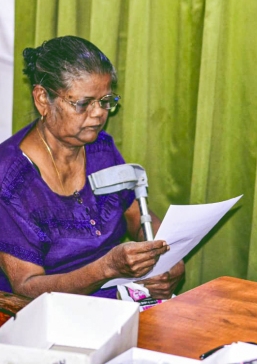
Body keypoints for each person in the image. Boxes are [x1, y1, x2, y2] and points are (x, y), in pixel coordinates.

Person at [0, 36, 184, 300]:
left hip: (121, 296)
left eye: (105, 100)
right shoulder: (9, 179)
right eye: (83, 103)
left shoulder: (100, 148)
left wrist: (167, 255)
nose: (99, 114)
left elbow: (137, 215)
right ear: (42, 99)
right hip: (50, 311)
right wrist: (106, 268)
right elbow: (26, 286)